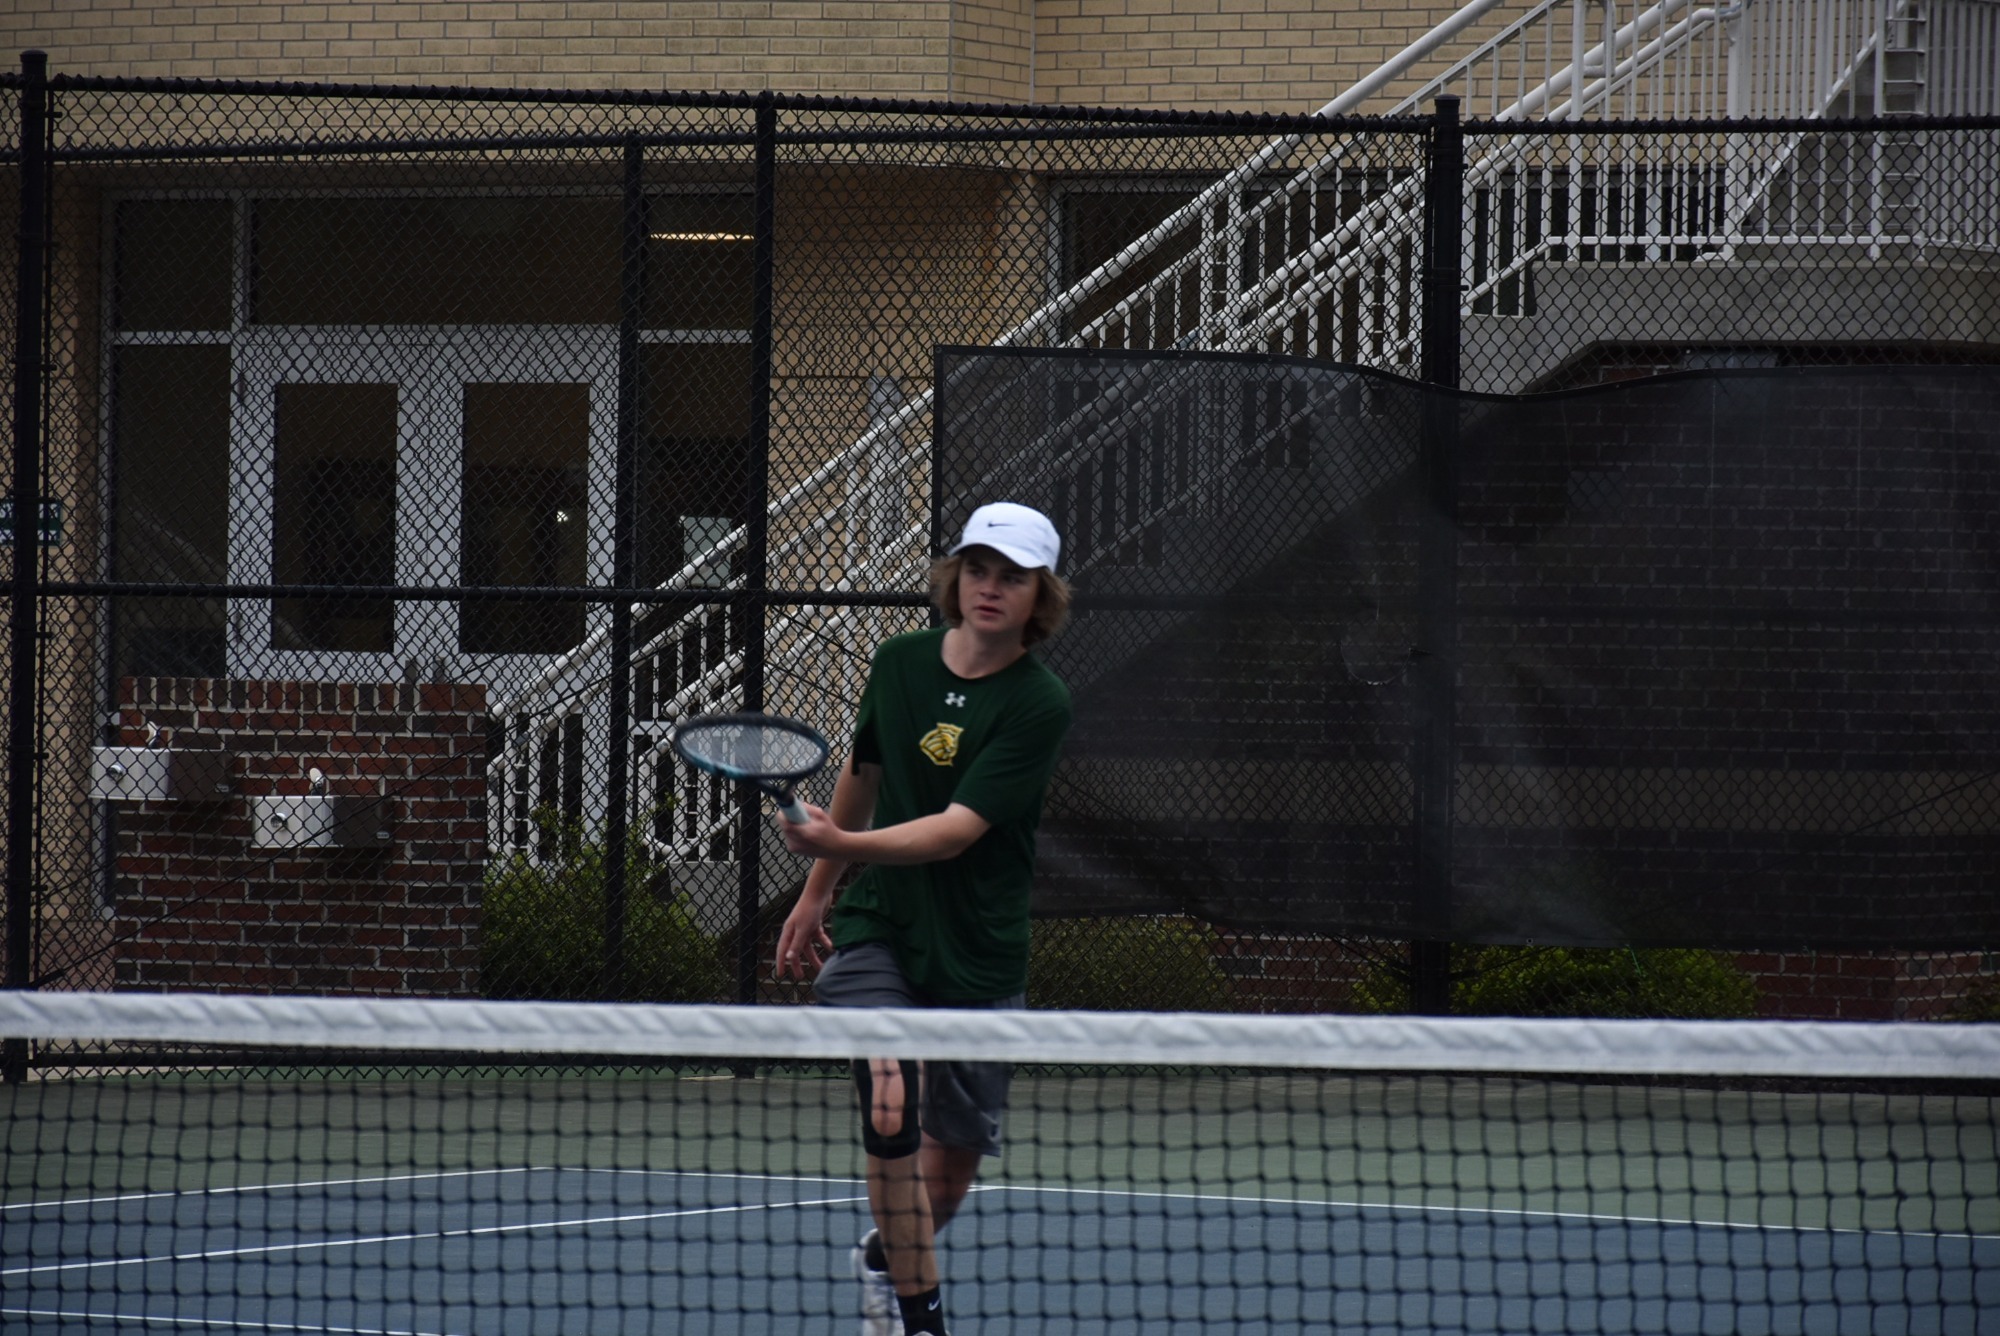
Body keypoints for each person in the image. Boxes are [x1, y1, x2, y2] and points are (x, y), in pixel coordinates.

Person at [773, 501, 1073, 1336]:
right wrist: (817, 890)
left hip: (979, 949)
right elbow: (862, 781)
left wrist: (837, 843)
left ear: (1038, 595)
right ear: (956, 576)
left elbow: (954, 834)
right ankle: (920, 1318)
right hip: (882, 926)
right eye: (978, 568)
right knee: (888, 1099)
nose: (989, 587)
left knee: (948, 1177)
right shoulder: (899, 663)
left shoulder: (1040, 703)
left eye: (1012, 576)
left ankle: (883, 1258)